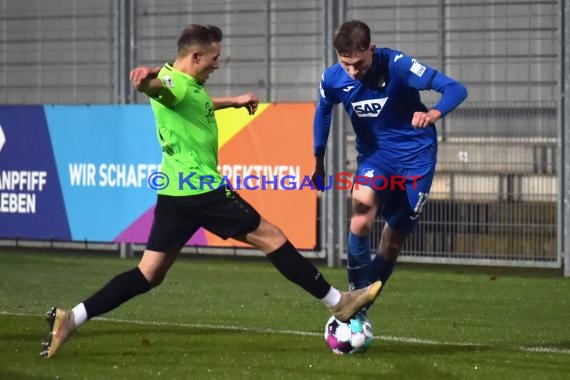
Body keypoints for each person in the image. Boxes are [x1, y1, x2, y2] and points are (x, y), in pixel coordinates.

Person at [41, 24, 382, 359]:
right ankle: (340, 302)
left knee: (148, 274)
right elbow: (161, 88)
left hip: (176, 193)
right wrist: (146, 81)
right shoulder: (172, 81)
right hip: (202, 190)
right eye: (214, 59)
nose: (218, 65)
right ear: (196, 55)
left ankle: (72, 317)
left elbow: (194, 102)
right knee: (272, 237)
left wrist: (234, 101)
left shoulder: (188, 82)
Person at [311, 21, 467, 300]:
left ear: (371, 49)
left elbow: (455, 88)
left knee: (392, 241)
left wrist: (433, 114)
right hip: (376, 158)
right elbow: (323, 112)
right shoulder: (333, 79)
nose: (353, 72)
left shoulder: (398, 65)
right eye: (346, 64)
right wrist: (318, 160)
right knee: (360, 217)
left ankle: (361, 305)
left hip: (416, 159)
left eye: (359, 63)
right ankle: (353, 298)